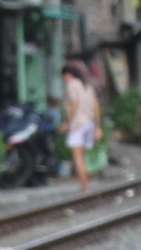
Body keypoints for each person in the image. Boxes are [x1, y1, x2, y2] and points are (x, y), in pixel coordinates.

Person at [61, 59, 101, 198]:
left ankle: (85, 189)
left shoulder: (72, 85)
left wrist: (65, 121)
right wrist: (97, 127)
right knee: (81, 157)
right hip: (89, 124)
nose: (63, 80)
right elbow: (95, 105)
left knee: (77, 158)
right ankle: (85, 187)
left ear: (67, 75)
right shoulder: (87, 85)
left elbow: (73, 103)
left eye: (63, 77)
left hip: (77, 124)